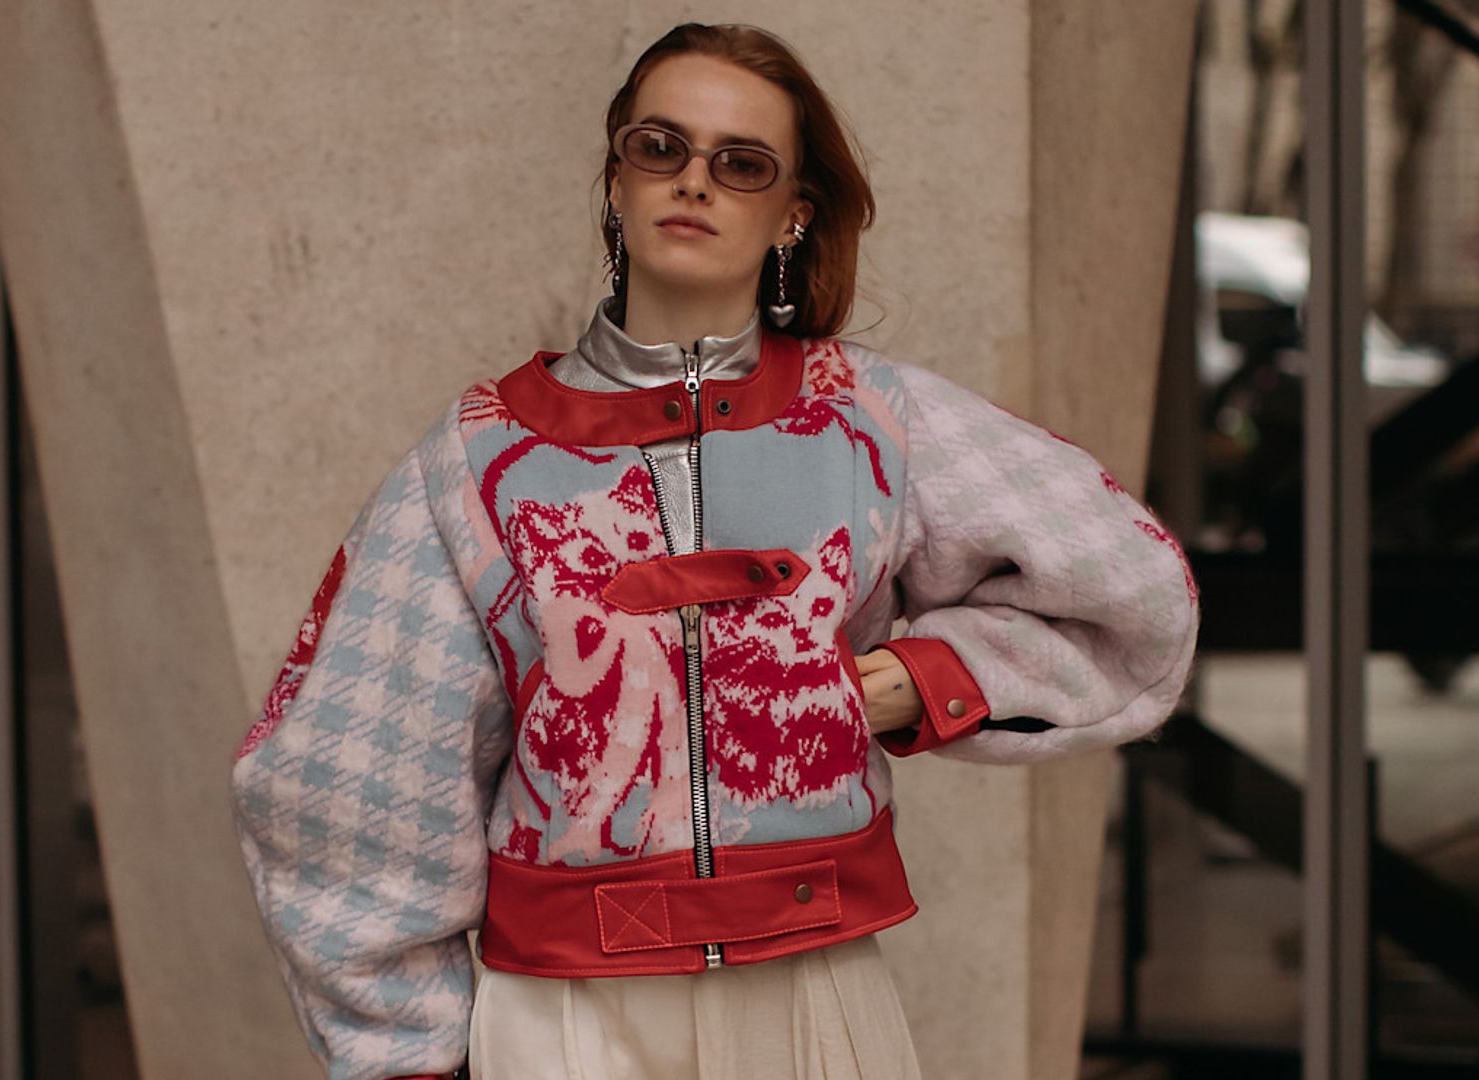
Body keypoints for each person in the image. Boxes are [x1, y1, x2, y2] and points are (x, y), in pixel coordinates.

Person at [230, 22, 1199, 1080]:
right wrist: (406, 1056)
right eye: (661, 147)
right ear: (615, 177)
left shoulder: (874, 421)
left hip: (814, 989)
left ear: (793, 213)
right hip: (565, 1015)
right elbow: (349, 778)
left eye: (741, 164)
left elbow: (1134, 592)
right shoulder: (479, 457)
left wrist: (916, 683)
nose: (694, 182)